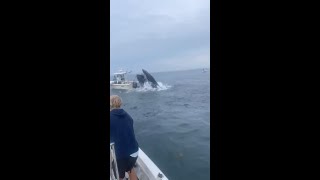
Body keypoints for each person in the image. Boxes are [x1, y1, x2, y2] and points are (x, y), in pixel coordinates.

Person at [110, 95, 139, 180]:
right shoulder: (127, 115)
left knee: (119, 175)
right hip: (134, 152)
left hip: (121, 154)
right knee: (130, 169)